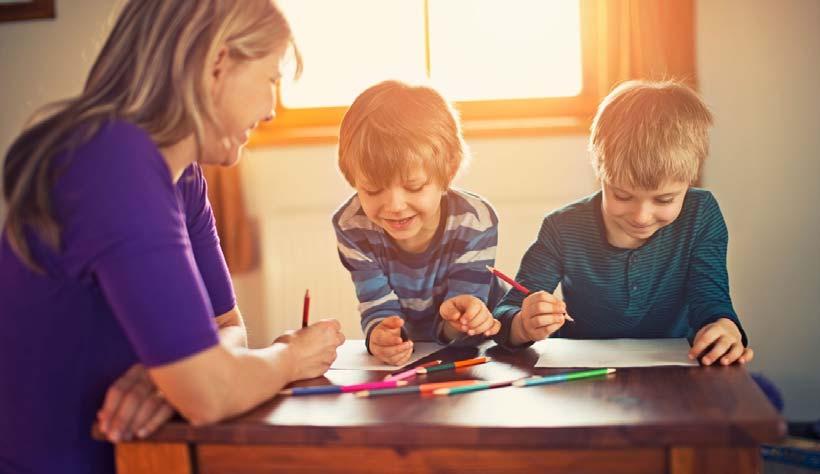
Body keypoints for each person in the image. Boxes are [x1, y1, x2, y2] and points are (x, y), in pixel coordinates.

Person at [0, 1, 344, 473]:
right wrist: (291, 355)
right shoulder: (114, 162)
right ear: (217, 63)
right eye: (271, 80)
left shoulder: (181, 178)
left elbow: (228, 327)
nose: (269, 110)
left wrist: (170, 376)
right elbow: (209, 395)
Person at [492, 80, 754, 367]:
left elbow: (711, 301)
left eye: (664, 200)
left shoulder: (701, 214)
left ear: (690, 180)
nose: (641, 216)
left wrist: (725, 329)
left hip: (679, 373)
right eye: (622, 195)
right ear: (600, 174)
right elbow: (507, 313)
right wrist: (523, 325)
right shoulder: (562, 228)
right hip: (583, 376)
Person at [332, 80, 503, 366]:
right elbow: (378, 309)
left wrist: (460, 319)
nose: (395, 207)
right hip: (413, 356)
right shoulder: (352, 226)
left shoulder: (475, 221)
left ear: (447, 172)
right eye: (373, 190)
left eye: (414, 187)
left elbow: (464, 324)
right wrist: (381, 336)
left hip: (477, 350)